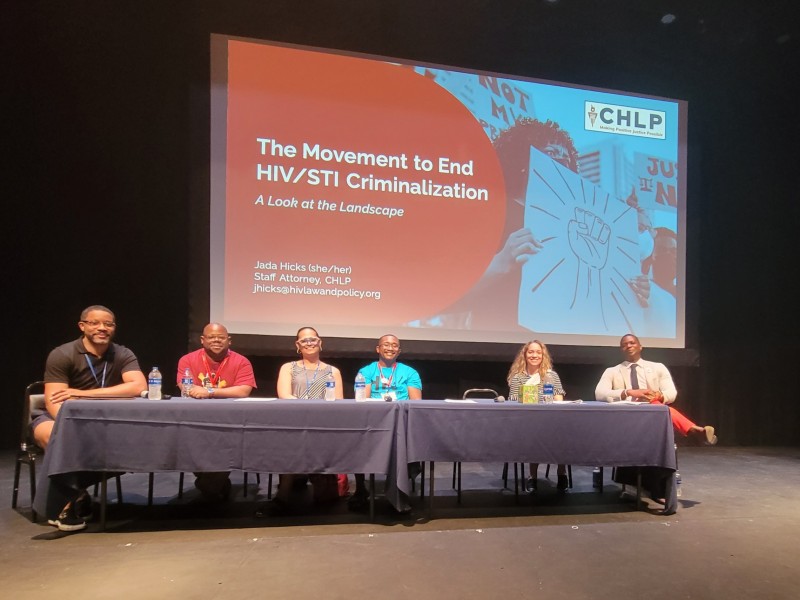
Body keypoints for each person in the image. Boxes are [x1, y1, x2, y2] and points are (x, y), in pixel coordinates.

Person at [36, 305, 147, 531]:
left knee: (135, 442)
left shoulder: (122, 353)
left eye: (108, 324)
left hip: (105, 419)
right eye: (95, 323)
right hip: (61, 418)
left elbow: (138, 386)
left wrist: (82, 393)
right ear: (83, 326)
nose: (102, 328)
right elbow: (54, 401)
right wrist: (71, 428)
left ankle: (74, 493)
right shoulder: (63, 354)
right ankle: (69, 499)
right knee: (54, 436)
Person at [257, 327, 343, 516]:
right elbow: (284, 396)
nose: (309, 343)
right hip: (294, 424)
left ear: (320, 343)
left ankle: (310, 480)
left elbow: (338, 403)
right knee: (293, 444)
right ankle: (282, 496)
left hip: (323, 427)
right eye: (304, 341)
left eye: (313, 339)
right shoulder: (288, 368)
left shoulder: (332, 371)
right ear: (298, 345)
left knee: (327, 501)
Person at [176, 322, 256, 502]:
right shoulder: (187, 360)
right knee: (190, 445)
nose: (216, 340)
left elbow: (243, 390)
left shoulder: (241, 361)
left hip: (231, 422)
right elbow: (185, 387)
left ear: (229, 340)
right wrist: (199, 391)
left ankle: (211, 485)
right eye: (211, 337)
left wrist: (210, 392)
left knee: (225, 446)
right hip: (195, 421)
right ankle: (213, 484)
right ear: (202, 340)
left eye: (221, 337)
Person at [595, 333, 717, 445]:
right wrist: (628, 392)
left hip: (650, 410)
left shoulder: (657, 367)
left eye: (632, 343)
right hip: (624, 410)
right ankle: (694, 431)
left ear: (640, 347)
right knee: (662, 409)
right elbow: (599, 393)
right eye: (624, 345)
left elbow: (671, 392)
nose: (629, 346)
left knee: (660, 407)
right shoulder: (612, 371)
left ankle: (696, 431)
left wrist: (659, 395)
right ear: (621, 350)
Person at [350, 334, 422, 509]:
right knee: (355, 438)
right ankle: (360, 489)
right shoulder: (366, 372)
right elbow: (362, 401)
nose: (390, 348)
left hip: (401, 423)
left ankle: (399, 491)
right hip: (373, 422)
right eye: (386, 345)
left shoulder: (409, 372)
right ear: (378, 349)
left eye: (394, 345)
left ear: (399, 350)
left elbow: (416, 403)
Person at [507, 340, 568, 492]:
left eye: (538, 352)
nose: (535, 355)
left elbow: (558, 397)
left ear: (543, 355)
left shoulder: (551, 375)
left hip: (550, 419)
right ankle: (532, 477)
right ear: (525, 355)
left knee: (563, 433)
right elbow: (513, 400)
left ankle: (562, 474)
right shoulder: (518, 377)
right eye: (531, 352)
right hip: (526, 421)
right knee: (534, 434)